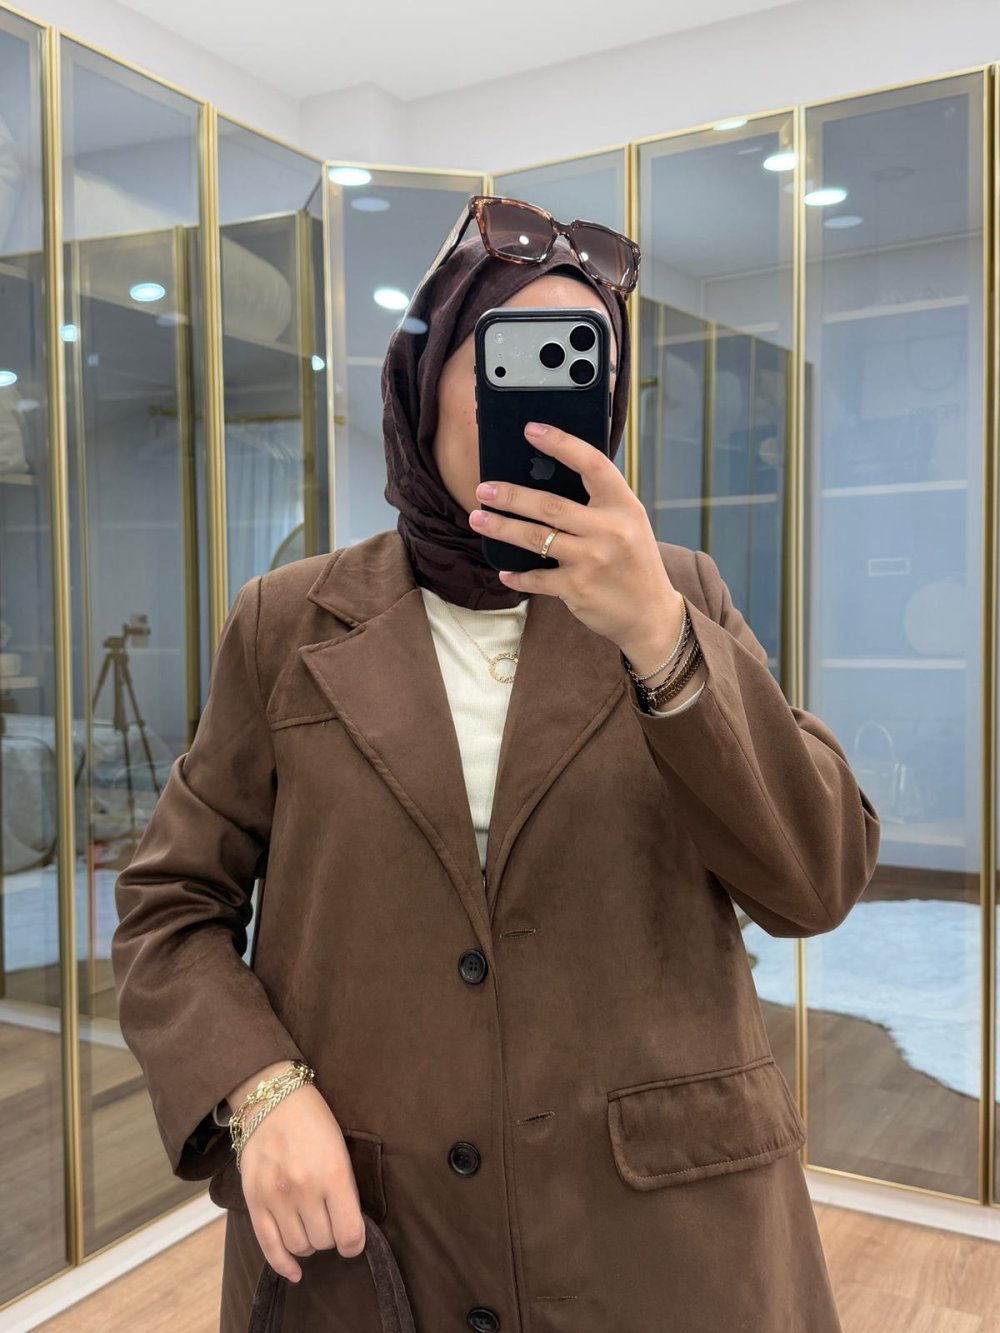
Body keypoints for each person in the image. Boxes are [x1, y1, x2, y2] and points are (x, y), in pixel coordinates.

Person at [112, 200, 880, 1333]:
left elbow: (815, 879)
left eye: (582, 365)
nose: (550, 398)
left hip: (662, 1248)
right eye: (513, 358)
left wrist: (661, 640)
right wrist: (258, 1088)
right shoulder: (288, 623)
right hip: (373, 1230)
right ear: (424, 381)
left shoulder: (683, 596)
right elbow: (170, 906)